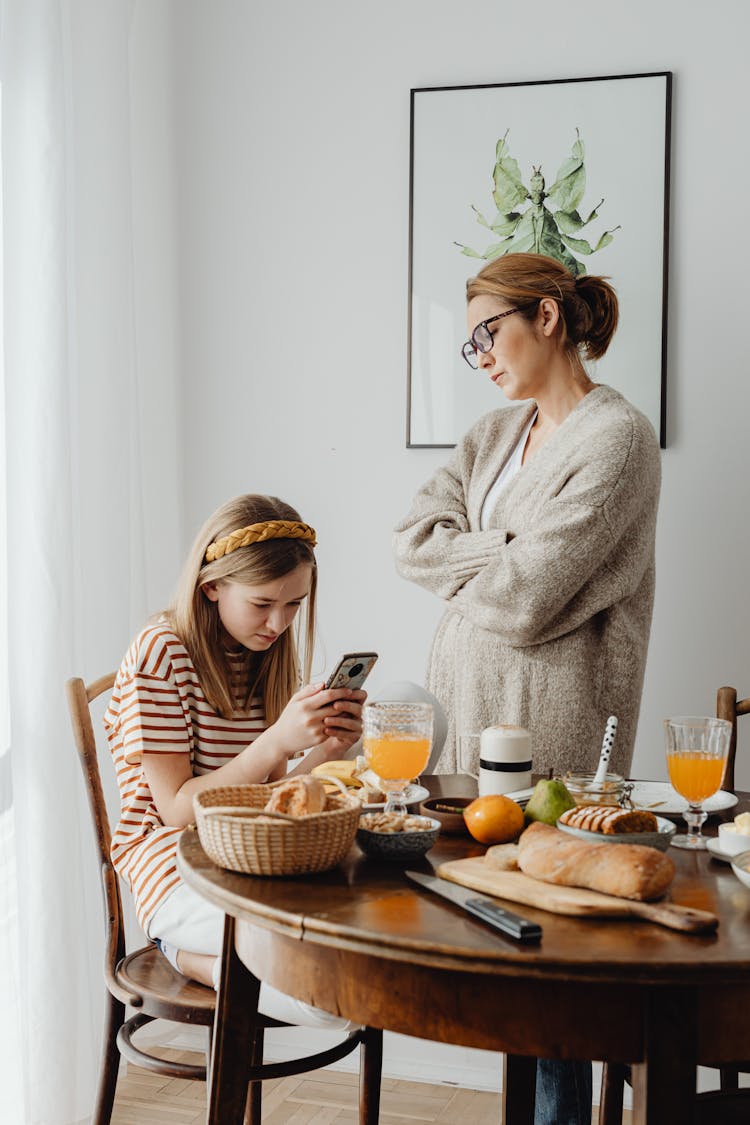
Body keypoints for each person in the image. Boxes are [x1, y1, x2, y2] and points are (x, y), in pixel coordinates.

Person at [393, 252, 661, 1125]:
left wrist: (481, 553)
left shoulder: (617, 439)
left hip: (559, 721)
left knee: (554, 957)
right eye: (470, 345)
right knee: (487, 935)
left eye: (489, 334)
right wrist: (503, 544)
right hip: (467, 720)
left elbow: (528, 596)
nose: (480, 359)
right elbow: (409, 539)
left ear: (546, 317)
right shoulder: (490, 436)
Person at [104, 494, 365, 1027]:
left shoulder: (265, 655)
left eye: (294, 604)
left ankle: (223, 960)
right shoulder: (160, 652)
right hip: (173, 864)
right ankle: (187, 954)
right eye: (263, 603)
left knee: (358, 963)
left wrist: (327, 751)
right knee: (330, 997)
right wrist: (275, 740)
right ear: (212, 587)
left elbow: (267, 800)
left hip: (248, 851)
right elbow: (176, 809)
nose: (278, 623)